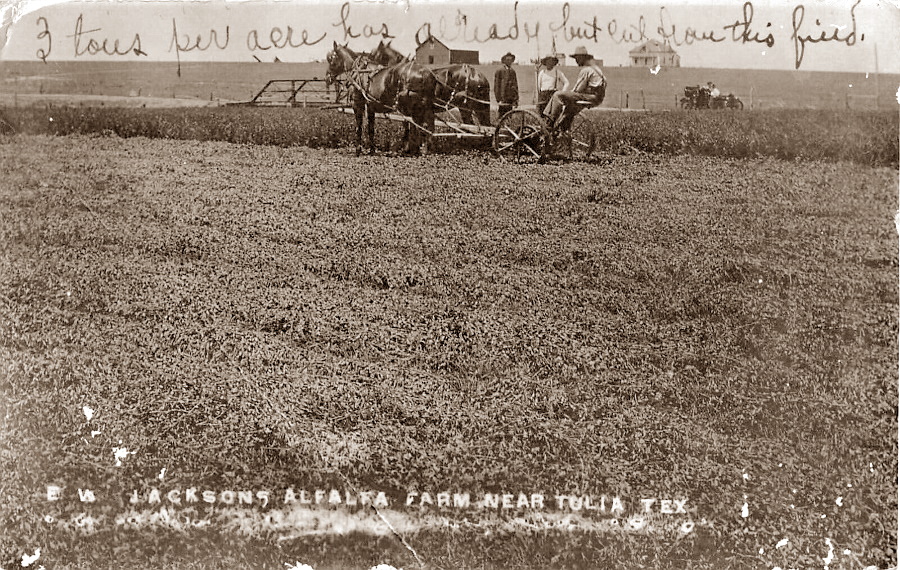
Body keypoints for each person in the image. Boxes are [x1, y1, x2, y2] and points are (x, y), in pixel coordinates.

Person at [542, 46, 606, 130]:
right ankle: (563, 128)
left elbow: (578, 89)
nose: (576, 61)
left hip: (591, 97)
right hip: (598, 98)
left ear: (582, 58)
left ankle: (549, 122)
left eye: (577, 58)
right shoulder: (597, 69)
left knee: (557, 95)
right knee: (570, 108)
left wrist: (567, 95)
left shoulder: (586, 70)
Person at [494, 52, 519, 121]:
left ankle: (508, 128)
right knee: (501, 116)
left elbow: (515, 86)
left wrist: (516, 99)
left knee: (509, 115)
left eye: (510, 60)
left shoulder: (513, 71)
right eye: (507, 60)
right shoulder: (500, 71)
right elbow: (496, 86)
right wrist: (498, 99)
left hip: (510, 98)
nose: (509, 61)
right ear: (504, 61)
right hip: (503, 98)